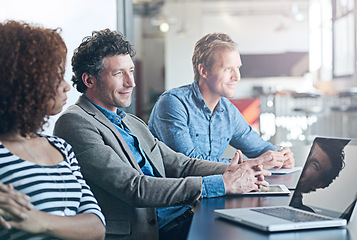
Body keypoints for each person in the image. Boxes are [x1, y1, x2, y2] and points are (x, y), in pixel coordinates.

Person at [53, 29, 282, 240]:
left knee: (260, 228)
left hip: (179, 218)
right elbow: (135, 187)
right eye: (118, 73)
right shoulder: (75, 122)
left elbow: (180, 164)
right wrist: (222, 184)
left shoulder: (131, 122)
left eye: (131, 71)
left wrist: (237, 170)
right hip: (148, 232)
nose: (131, 82)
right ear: (89, 80)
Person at [0, 21, 105, 240]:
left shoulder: (61, 147)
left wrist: (41, 222)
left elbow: (97, 227)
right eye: (57, 76)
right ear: (25, 82)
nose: (67, 86)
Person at [148, 33, 295, 167]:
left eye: (237, 68)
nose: (237, 77)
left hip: (213, 190)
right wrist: (254, 163)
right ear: (203, 71)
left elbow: (260, 148)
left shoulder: (228, 111)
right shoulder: (173, 103)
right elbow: (188, 163)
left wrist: (281, 155)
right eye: (227, 69)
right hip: (175, 193)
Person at [291, 138, 350, 212]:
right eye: (308, 154)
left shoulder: (306, 217)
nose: (305, 162)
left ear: (318, 184)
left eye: (315, 165)